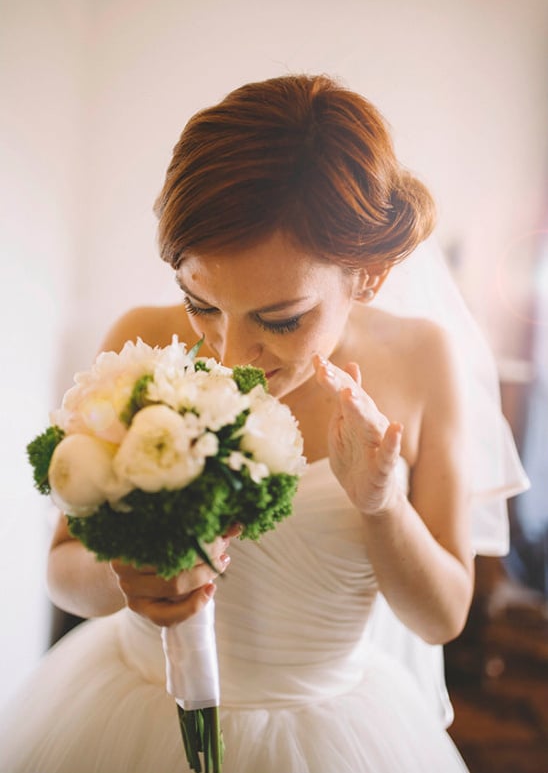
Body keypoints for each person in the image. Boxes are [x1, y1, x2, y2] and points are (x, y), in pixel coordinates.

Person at [0, 74, 528, 773]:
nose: (227, 352)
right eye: (201, 302)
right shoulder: (140, 339)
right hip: (129, 707)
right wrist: (121, 577)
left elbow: (442, 616)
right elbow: (63, 567)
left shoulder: (423, 360)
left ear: (367, 273)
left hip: (332, 730)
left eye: (281, 320)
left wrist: (381, 504)